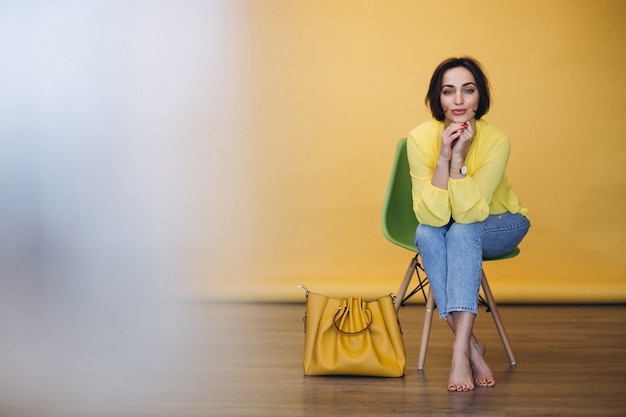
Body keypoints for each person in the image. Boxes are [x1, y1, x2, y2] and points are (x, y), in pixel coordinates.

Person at [407, 56, 530, 392]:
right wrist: (444, 157)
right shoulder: (419, 139)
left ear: (480, 96)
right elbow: (431, 217)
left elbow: (469, 215)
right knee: (426, 234)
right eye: (449, 91)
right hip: (453, 225)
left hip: (502, 222)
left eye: (468, 90)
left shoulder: (496, 140)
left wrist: (459, 160)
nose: (458, 101)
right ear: (438, 97)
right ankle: (468, 347)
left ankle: (460, 351)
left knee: (461, 230)